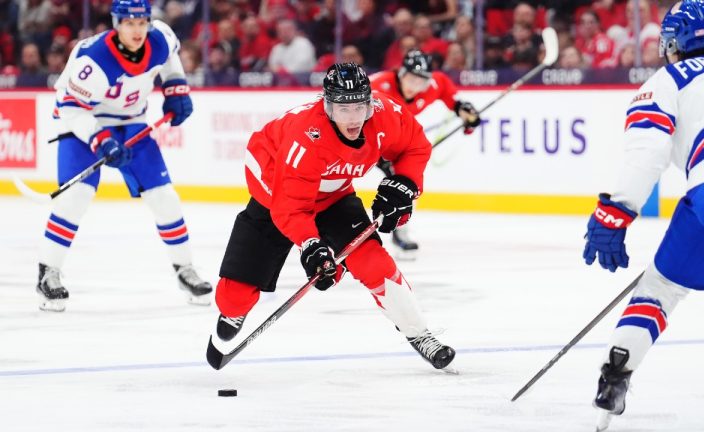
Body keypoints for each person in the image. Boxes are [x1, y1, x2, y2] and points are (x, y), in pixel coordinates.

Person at [582, 0, 704, 427]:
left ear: (673, 42)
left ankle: (616, 377)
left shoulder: (664, 81)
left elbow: (646, 154)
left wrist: (614, 213)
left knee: (661, 288)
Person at [212, 63, 455, 370]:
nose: (353, 118)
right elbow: (291, 208)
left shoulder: (386, 114)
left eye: (359, 107)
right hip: (274, 189)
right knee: (235, 296)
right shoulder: (306, 138)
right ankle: (231, 309)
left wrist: (405, 184)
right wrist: (312, 246)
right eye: (343, 108)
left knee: (374, 262)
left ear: (370, 102)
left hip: (332, 192)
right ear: (327, 106)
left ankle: (419, 333)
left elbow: (416, 146)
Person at [37, 0, 212, 312]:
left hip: (131, 123)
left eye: (142, 22)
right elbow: (71, 108)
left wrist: (176, 87)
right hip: (81, 122)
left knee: (165, 197)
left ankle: (185, 269)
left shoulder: (160, 37)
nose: (137, 30)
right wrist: (100, 139)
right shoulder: (93, 58)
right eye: (130, 24)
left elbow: (171, 58)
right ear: (116, 24)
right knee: (75, 196)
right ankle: (48, 272)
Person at [369, 49, 481, 255]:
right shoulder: (378, 87)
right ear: (401, 73)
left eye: (421, 82)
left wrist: (464, 110)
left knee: (406, 184)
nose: (414, 88)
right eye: (411, 80)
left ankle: (400, 231)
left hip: (394, 139)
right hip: (365, 138)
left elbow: (448, 92)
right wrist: (377, 155)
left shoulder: (434, 85)